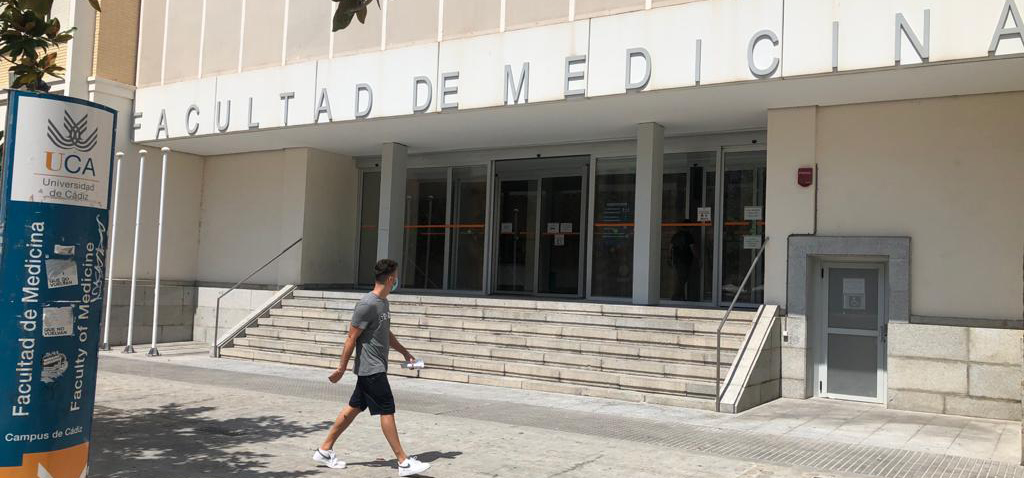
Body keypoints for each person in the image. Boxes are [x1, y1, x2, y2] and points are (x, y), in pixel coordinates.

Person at [312, 259, 430, 477]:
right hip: (371, 369)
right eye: (396, 276)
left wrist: (404, 352)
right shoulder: (367, 304)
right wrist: (341, 369)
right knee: (387, 408)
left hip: (375, 367)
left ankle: (324, 450)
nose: (397, 280)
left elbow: (385, 332)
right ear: (391, 278)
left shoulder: (384, 303)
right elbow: (351, 338)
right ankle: (403, 462)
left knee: (353, 408)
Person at [669, 228, 697, 301]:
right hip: (685, 260)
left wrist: (669, 257)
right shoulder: (688, 236)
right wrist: (697, 258)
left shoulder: (676, 235)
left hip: (677, 260)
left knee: (681, 278)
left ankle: (681, 297)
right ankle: (676, 296)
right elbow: (692, 248)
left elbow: (670, 247)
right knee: (682, 279)